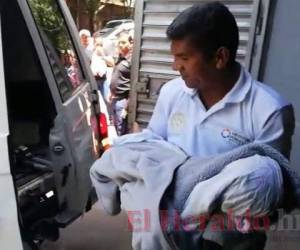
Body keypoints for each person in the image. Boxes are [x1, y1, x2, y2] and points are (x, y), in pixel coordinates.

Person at [147, 2, 294, 249]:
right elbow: (153, 151)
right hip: (168, 229)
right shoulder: (172, 93)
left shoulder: (269, 110)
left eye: (183, 57)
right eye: (174, 57)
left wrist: (215, 231)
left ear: (220, 57)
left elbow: (269, 189)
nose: (175, 67)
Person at [109, 33, 133, 135]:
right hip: (115, 99)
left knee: (121, 129)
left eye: (123, 42)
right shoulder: (120, 58)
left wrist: (127, 105)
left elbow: (134, 83)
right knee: (116, 127)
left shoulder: (132, 60)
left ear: (130, 44)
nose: (120, 45)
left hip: (123, 100)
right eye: (119, 42)